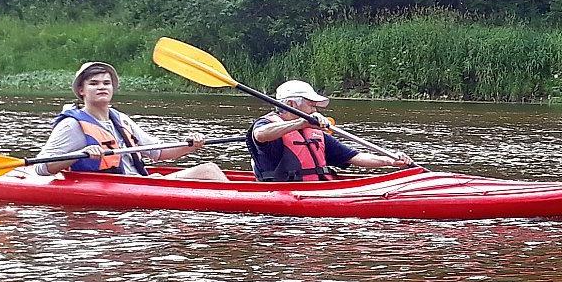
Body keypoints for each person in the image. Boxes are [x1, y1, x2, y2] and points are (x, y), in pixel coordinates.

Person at [33, 62, 230, 181]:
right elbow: (41, 168)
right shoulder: (72, 125)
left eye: (106, 83)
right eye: (94, 84)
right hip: (115, 188)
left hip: (141, 183)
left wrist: (190, 146)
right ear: (81, 91)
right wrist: (79, 155)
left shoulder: (121, 120)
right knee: (208, 170)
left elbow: (158, 152)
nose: (101, 87)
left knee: (209, 169)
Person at [247, 80, 412, 182]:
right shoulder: (267, 124)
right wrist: (300, 123)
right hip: (283, 194)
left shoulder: (313, 131)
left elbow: (355, 156)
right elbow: (260, 134)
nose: (315, 109)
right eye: (311, 104)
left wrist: (389, 160)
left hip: (317, 189)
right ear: (291, 104)